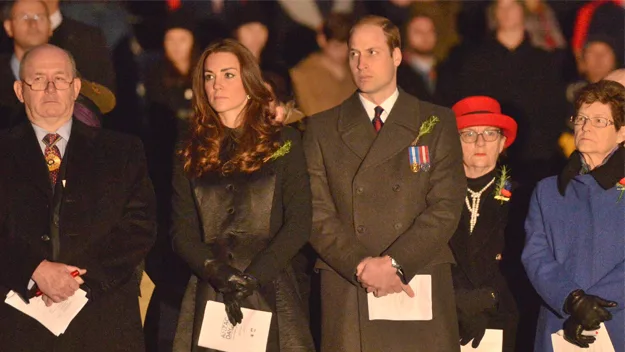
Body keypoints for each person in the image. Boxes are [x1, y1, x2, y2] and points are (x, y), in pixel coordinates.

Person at [303, 15, 466, 352]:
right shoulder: (321, 128)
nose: (361, 64)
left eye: (373, 52)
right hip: (350, 280)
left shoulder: (435, 121)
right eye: (353, 54)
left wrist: (395, 263)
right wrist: (362, 265)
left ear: (396, 56)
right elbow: (316, 213)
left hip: (418, 274)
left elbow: (446, 206)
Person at [0, 44, 156, 351]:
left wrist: (79, 279)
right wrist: (34, 269)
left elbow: (139, 227)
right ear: (20, 90)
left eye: (60, 79)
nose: (49, 88)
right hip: (16, 320)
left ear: (76, 88)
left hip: (102, 318)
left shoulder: (123, 151)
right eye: (38, 79)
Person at [171, 39, 314, 352]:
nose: (216, 85)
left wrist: (254, 278)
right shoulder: (188, 148)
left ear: (249, 82)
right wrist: (220, 275)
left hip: (270, 283)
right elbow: (181, 232)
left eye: (228, 75)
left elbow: (299, 221)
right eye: (209, 77)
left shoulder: (284, 142)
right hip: (211, 285)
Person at [522, 80, 624, 351]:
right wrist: (573, 301)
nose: (585, 126)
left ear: (622, 132)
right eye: (581, 118)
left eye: (599, 120)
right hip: (561, 322)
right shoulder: (547, 191)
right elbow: (535, 256)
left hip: (618, 322)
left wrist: (595, 305)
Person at [450, 96, 529, 351]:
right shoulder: (433, 196)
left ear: (503, 142)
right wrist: (456, 300)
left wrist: (487, 299)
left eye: (490, 134)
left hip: (501, 317)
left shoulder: (523, 197)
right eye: (469, 134)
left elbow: (526, 262)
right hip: (444, 317)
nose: (480, 142)